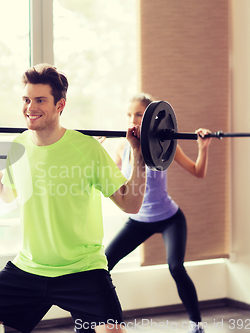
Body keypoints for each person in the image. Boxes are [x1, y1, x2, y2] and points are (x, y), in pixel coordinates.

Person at [0, 63, 146, 333]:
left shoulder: (87, 148)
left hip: (83, 270)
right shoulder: (19, 145)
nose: (30, 107)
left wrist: (139, 155)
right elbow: (5, 192)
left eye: (40, 100)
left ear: (60, 105)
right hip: (29, 268)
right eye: (26, 99)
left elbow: (131, 203)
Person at [105, 93, 212, 333]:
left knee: (176, 267)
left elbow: (198, 171)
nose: (133, 119)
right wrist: (98, 150)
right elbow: (112, 182)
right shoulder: (122, 146)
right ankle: (105, 324)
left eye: (139, 114)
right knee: (103, 265)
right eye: (129, 114)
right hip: (138, 220)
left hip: (169, 218)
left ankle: (196, 325)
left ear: (151, 118)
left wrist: (202, 147)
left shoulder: (165, 143)